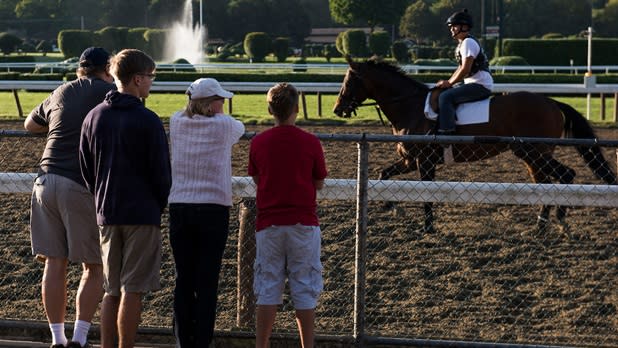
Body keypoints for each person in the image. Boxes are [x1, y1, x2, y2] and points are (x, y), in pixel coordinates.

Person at [79, 48, 171, 348]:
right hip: (141, 213)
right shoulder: (148, 120)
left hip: (107, 211)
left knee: (111, 289)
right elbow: (161, 174)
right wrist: (157, 204)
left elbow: (86, 168)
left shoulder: (94, 117)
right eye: (150, 78)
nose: (151, 83)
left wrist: (102, 198)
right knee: (133, 290)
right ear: (136, 79)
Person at [24, 46, 115, 348]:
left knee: (54, 263)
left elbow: (30, 125)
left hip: (44, 182)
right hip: (80, 184)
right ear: (107, 67)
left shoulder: (61, 90)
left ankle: (57, 339)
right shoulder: (110, 91)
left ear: (80, 68)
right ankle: (79, 337)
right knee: (93, 266)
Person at [248, 83, 328, 348]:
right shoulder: (311, 141)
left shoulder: (259, 142)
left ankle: (262, 344)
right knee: (304, 286)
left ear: (270, 109)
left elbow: (258, 179)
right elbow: (318, 182)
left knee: (268, 286)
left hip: (268, 224)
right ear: (296, 109)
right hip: (303, 222)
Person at [168, 78, 245, 347]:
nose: (224, 103)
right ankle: (202, 340)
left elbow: (182, 113)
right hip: (213, 208)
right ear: (211, 105)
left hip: (180, 207)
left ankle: (182, 340)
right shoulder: (225, 125)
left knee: (184, 278)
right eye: (220, 100)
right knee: (207, 280)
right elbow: (240, 128)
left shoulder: (177, 121)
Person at [435, 8, 493, 134]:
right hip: (473, 82)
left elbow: (465, 69)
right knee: (444, 92)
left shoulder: (468, 43)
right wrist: (449, 82)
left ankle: (447, 132)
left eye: (454, 26)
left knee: (445, 97)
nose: (451, 29)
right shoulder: (463, 44)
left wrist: (449, 83)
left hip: (480, 84)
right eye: (451, 26)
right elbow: (460, 68)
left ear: (465, 27)